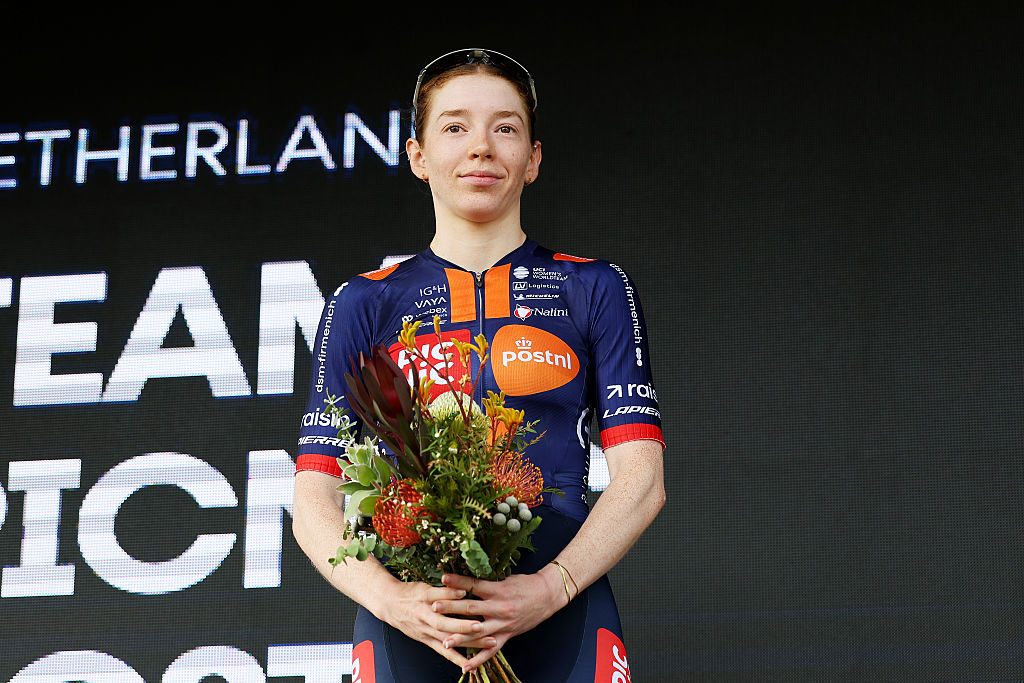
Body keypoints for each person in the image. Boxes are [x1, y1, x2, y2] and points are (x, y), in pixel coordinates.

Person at [292, 48, 665, 682]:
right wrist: (392, 601)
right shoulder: (364, 301)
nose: (482, 148)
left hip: (561, 608)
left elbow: (642, 480)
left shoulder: (593, 288)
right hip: (415, 619)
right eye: (456, 126)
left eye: (506, 128)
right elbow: (313, 497)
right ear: (417, 156)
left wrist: (551, 587)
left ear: (534, 158)